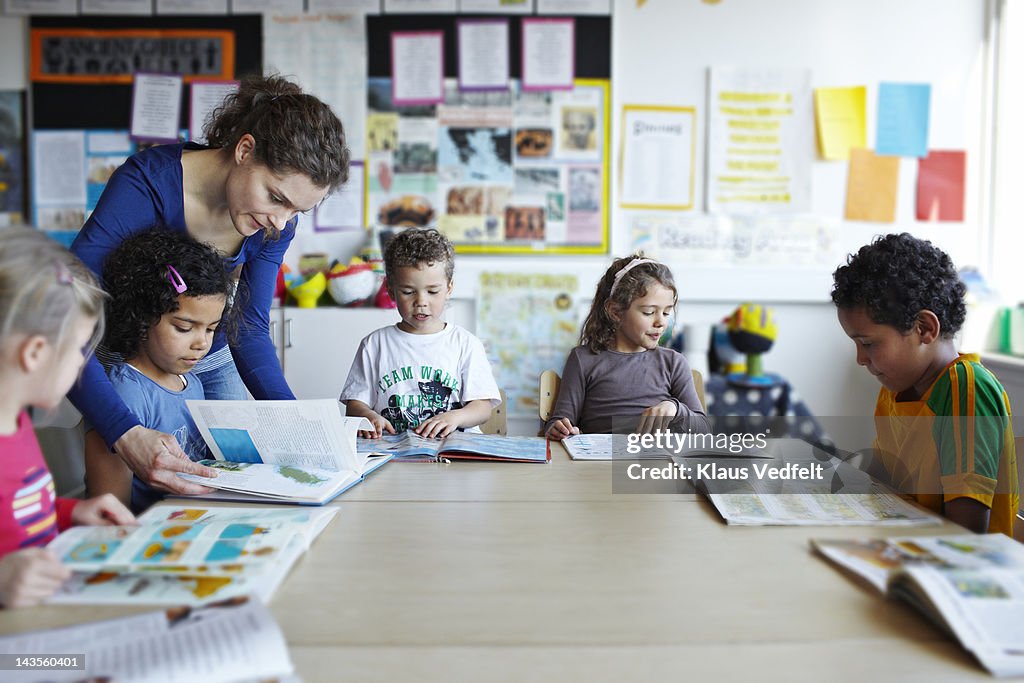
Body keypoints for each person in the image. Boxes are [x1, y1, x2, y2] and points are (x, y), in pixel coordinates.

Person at [68, 74, 350, 496]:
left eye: (297, 211)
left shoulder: (275, 225)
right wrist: (123, 432)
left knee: (234, 484)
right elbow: (69, 313)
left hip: (212, 358)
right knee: (131, 484)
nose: (281, 223)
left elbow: (249, 329)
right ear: (245, 149)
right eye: (275, 197)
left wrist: (300, 428)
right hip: (126, 353)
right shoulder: (146, 183)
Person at [832, 233, 1019, 534]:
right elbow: (885, 478)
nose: (860, 359)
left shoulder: (967, 390)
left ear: (924, 328)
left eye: (867, 343)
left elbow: (965, 532)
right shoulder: (895, 388)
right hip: (903, 542)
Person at [0, 228, 135, 608]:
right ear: (35, 353)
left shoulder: (17, 423)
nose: (82, 363)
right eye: (79, 348)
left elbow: (20, 514)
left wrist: (72, 512)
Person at [85, 228, 237, 513]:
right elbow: (110, 507)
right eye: (184, 328)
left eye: (212, 329)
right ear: (143, 316)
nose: (201, 343)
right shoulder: (124, 392)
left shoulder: (190, 381)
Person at [341, 228, 500, 438]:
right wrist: (368, 416)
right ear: (390, 290)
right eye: (408, 292)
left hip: (453, 455)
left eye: (433, 291)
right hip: (394, 454)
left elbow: (482, 407)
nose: (421, 302)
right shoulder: (375, 344)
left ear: (449, 288)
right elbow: (354, 404)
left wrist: (455, 417)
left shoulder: (465, 343)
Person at [545, 255, 711, 439]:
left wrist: (675, 408)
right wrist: (559, 429)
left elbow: (703, 430)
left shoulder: (673, 363)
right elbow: (560, 422)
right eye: (649, 312)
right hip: (598, 463)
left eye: (666, 312)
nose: (661, 322)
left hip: (654, 464)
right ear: (616, 311)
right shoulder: (583, 359)